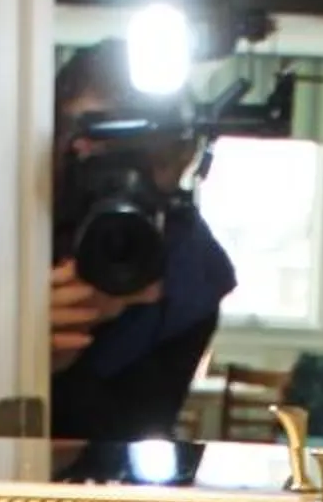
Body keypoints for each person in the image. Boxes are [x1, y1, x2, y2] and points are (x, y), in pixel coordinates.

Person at [50, 41, 237, 473]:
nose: (119, 179)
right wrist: (12, 347)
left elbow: (135, 446)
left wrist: (66, 364)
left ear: (182, 158)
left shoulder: (192, 274)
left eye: (143, 153)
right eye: (96, 144)